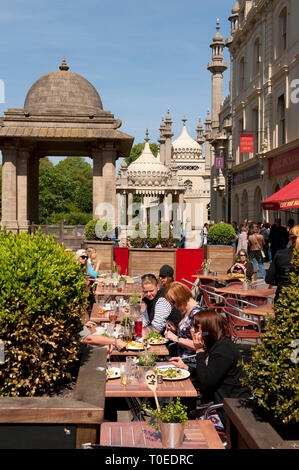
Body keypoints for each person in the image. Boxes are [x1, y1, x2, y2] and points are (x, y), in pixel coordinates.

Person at [170, 309, 251, 428]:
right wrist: (186, 367)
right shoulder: (218, 345)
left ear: (208, 331)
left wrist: (199, 351)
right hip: (219, 403)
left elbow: (206, 385)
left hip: (229, 411)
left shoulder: (223, 350)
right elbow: (209, 374)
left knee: (183, 420)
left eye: (197, 328)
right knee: (180, 405)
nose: (193, 330)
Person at [164, 282, 202, 363]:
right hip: (180, 358)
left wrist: (176, 338)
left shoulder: (196, 314)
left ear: (180, 297)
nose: (173, 306)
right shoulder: (188, 310)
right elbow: (188, 335)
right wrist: (176, 330)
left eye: (173, 302)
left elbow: (198, 345)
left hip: (190, 362)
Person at [265, 225, 299, 303]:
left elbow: (269, 279)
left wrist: (282, 282)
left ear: (290, 238)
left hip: (283, 297)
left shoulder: (280, 254)